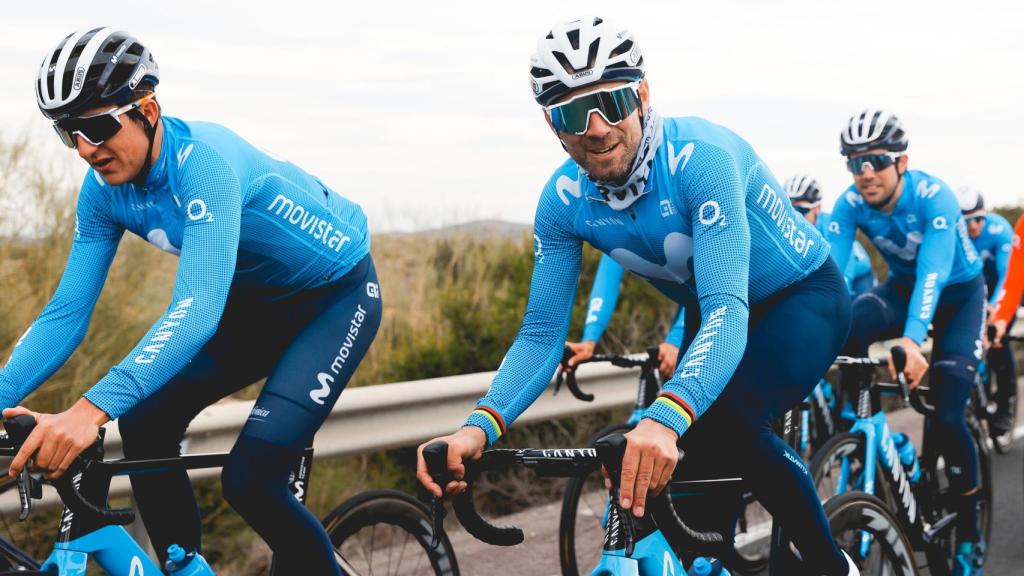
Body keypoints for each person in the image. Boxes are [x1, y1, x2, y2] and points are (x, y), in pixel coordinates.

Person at [417, 16, 858, 575]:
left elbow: (728, 306)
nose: (597, 127)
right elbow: (540, 336)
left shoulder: (701, 158)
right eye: (574, 112)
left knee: (734, 422)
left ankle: (830, 564)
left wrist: (666, 416)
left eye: (613, 101)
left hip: (801, 298)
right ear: (553, 124)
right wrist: (477, 426)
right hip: (713, 310)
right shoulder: (561, 202)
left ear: (643, 95)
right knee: (684, 509)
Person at [0, 27, 380, 575]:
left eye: (97, 125)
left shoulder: (204, 164)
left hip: (334, 300)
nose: (86, 148)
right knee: (146, 417)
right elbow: (65, 314)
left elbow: (197, 309)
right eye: (68, 132)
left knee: (251, 479)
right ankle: (185, 566)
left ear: (147, 109)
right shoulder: (103, 192)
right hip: (254, 307)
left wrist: (88, 411)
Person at [827, 109, 986, 574]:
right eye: (854, 164)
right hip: (900, 287)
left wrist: (914, 341)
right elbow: (831, 278)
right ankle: (862, 426)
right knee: (849, 319)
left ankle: (970, 531)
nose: (865, 173)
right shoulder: (849, 203)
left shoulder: (935, 198)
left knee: (949, 408)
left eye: (875, 160)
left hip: (957, 296)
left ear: (902, 162)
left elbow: (933, 274)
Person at [564, 253, 685, 380]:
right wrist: (589, 340)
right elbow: (608, 275)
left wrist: (675, 340)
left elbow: (705, 281)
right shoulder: (611, 233)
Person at [957, 187, 1016, 439]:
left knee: (997, 339)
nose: (973, 227)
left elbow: (1008, 275)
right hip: (973, 289)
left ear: (986, 215)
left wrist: (995, 308)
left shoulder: (999, 229)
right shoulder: (954, 236)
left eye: (978, 219)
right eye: (967, 221)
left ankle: (1006, 406)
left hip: (1001, 288)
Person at [784, 174, 876, 297]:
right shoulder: (788, 228)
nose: (795, 216)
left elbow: (841, 274)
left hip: (859, 272)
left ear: (817, 209)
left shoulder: (831, 226)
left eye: (801, 210)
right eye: (790, 210)